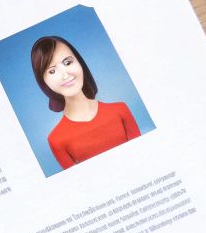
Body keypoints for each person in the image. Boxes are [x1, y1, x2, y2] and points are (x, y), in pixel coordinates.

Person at [31, 35, 140, 169]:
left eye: (68, 63)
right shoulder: (56, 139)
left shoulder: (120, 110)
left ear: (80, 63)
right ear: (44, 82)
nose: (65, 75)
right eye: (52, 71)